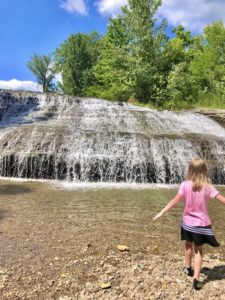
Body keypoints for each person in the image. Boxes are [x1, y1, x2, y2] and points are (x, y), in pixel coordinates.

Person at [153, 158, 225, 290]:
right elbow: (223, 200)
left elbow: (175, 201)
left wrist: (162, 212)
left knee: (188, 245)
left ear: (190, 170)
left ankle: (188, 268)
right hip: (201, 225)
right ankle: (196, 279)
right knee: (198, 250)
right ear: (205, 171)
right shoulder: (209, 188)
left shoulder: (184, 185)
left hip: (187, 224)